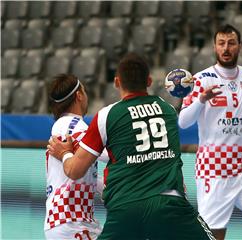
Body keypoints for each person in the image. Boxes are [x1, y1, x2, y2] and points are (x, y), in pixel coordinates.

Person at [47, 53, 215, 240]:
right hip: (168, 202)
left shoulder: (105, 116)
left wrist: (64, 154)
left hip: (125, 209)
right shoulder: (167, 110)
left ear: (117, 82)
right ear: (149, 81)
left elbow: (74, 170)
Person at [178, 24, 242, 240]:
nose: (226, 48)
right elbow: (183, 121)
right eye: (221, 43)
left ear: (239, 47)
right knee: (214, 237)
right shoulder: (201, 79)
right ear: (215, 47)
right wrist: (200, 100)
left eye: (231, 43)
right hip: (213, 171)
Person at [45, 74, 108, 239]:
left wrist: (105, 186)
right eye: (85, 91)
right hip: (71, 221)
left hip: (70, 220)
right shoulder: (72, 125)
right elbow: (104, 153)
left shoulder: (64, 125)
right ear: (79, 96)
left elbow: (79, 174)